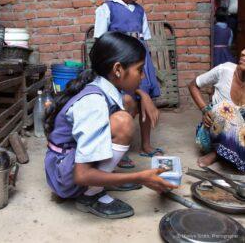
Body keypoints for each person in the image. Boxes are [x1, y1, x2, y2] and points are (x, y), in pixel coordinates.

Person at [44, 32, 177, 219]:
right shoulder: (94, 102)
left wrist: (145, 95)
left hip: (68, 161)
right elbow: (81, 176)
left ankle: (104, 176)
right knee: (123, 122)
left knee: (128, 102)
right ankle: (90, 195)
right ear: (117, 70)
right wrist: (140, 177)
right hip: (65, 175)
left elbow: (129, 94)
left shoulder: (100, 83)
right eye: (140, 70)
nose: (143, 76)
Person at [94, 0, 162, 168]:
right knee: (127, 102)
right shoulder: (106, 9)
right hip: (120, 65)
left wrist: (148, 67)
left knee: (146, 100)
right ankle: (119, 147)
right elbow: (101, 43)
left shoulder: (140, 11)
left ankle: (146, 145)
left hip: (141, 63)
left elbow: (145, 39)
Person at [188, 49, 245, 172]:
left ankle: (224, 154)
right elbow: (193, 85)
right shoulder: (225, 70)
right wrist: (204, 109)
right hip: (212, 134)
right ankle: (218, 152)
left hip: (240, 134)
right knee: (225, 108)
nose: (243, 52)